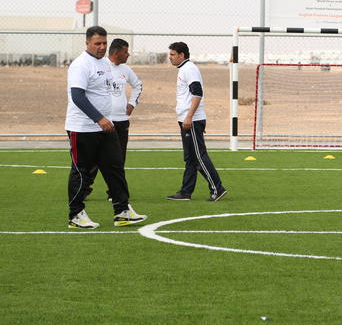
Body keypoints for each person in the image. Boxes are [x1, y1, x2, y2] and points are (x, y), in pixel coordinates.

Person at [66, 26, 147, 229]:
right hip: (83, 128)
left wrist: (108, 117)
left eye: (104, 43)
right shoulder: (81, 65)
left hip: (105, 126)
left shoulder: (105, 63)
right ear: (87, 43)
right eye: (97, 43)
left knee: (115, 166)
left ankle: (122, 211)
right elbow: (77, 96)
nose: (102, 47)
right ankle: (75, 215)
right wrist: (98, 118)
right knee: (81, 171)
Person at [166, 42, 228, 202]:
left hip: (192, 121)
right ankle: (185, 192)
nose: (170, 57)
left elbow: (197, 93)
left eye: (172, 54)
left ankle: (217, 188)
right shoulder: (184, 69)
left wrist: (189, 116)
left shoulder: (189, 69)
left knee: (199, 156)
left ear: (182, 55)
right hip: (186, 120)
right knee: (190, 158)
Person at [84, 38, 143, 201]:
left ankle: (114, 193)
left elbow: (138, 85)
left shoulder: (126, 69)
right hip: (102, 121)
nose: (128, 54)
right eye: (126, 51)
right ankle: (84, 189)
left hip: (121, 121)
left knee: (118, 159)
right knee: (94, 158)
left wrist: (132, 103)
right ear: (117, 52)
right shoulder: (100, 66)